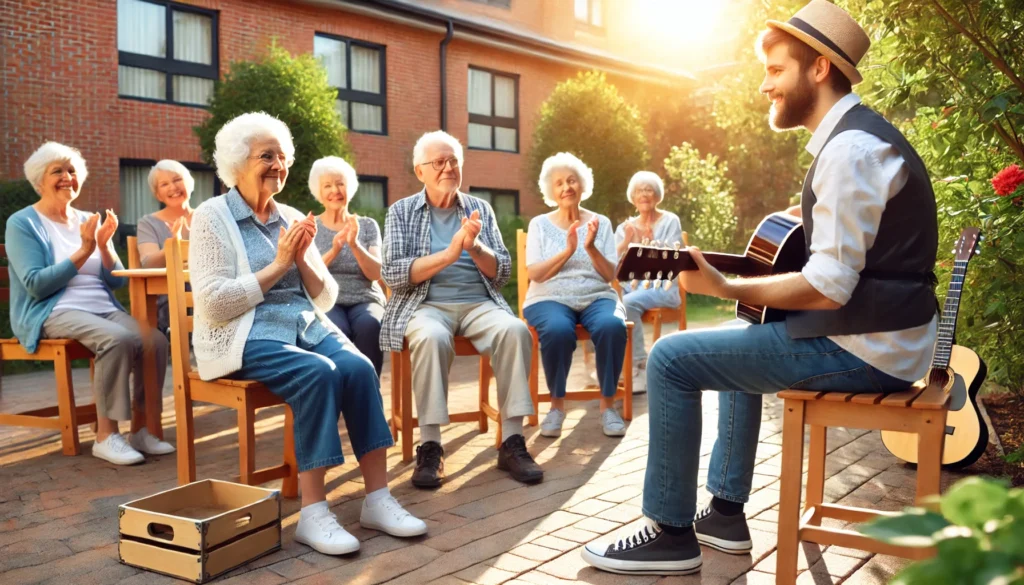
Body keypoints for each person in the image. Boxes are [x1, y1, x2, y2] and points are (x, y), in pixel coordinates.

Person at [583, 0, 939, 575]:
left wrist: (722, 285)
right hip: (883, 336)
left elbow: (828, 288)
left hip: (867, 346)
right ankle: (724, 514)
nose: (764, 85)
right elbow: (843, 262)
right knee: (743, 332)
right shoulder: (854, 141)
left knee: (673, 358)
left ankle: (670, 533)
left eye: (775, 70)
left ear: (819, 68)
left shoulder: (848, 151)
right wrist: (743, 284)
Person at [188, 112, 425, 556]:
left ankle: (378, 498)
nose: (278, 164)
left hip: (304, 324)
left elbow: (326, 295)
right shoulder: (212, 217)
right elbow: (214, 302)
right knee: (319, 374)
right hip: (246, 332)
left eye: (282, 156)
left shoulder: (291, 215)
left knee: (356, 367)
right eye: (266, 156)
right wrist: (279, 263)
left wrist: (303, 260)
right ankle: (314, 513)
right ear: (238, 163)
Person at [381, 130, 541, 489]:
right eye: (439, 161)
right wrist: (449, 254)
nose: (448, 167)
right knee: (432, 337)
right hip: (425, 304)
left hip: (478, 302)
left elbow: (502, 271)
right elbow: (392, 272)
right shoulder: (401, 212)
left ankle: (511, 441)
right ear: (420, 171)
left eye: (454, 161)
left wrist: (474, 249)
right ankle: (432, 445)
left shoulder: (479, 209)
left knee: (515, 330)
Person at [5, 142, 173, 465]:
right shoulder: (22, 223)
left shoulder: (86, 218)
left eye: (72, 171)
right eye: (58, 171)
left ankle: (141, 428)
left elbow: (116, 281)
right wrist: (83, 250)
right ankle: (106, 435)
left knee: (154, 340)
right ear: (40, 179)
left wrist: (105, 248)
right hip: (53, 310)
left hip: (101, 307)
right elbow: (36, 285)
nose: (67, 177)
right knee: (117, 339)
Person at [522, 153, 629, 439]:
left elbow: (609, 275)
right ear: (551, 191)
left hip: (596, 296)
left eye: (571, 181)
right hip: (549, 298)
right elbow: (535, 273)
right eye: (559, 183)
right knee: (557, 330)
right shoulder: (540, 225)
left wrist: (590, 247)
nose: (566, 187)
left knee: (612, 326)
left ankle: (608, 406)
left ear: (582, 185)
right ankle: (557, 407)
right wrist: (568, 250)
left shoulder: (600, 223)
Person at [309, 156, 386, 376]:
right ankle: (341, 393)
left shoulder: (367, 225)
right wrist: (334, 250)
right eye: (327, 185)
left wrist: (354, 244)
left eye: (340, 183)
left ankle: (369, 392)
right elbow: (308, 273)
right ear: (319, 191)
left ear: (349, 187)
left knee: (370, 325)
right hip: (327, 300)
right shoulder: (311, 227)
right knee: (334, 329)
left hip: (365, 298)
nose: (335, 190)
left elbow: (375, 273)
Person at [613, 171, 684, 393]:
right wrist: (626, 241)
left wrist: (649, 243)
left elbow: (675, 256)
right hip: (631, 288)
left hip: (664, 287)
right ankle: (617, 366)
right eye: (639, 191)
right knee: (605, 305)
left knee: (627, 303)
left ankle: (639, 364)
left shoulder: (670, 220)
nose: (644, 195)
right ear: (632, 197)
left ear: (657, 195)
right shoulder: (625, 228)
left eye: (648, 190)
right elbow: (612, 265)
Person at [135, 160, 196, 336]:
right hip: (170, 297)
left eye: (177, 179)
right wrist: (173, 243)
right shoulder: (148, 223)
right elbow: (148, 263)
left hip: (208, 290)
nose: (173, 187)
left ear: (189, 183)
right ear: (158, 194)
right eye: (164, 184)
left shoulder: (207, 216)